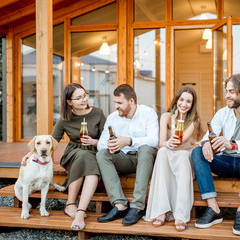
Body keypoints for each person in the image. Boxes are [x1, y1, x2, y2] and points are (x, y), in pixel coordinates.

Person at [191, 73, 240, 236]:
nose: (227, 95)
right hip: (225, 162)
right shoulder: (223, 113)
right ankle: (213, 209)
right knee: (197, 151)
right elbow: (207, 137)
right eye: (226, 91)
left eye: (231, 92)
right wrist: (206, 143)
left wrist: (233, 144)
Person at [22, 83, 106, 231]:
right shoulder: (64, 118)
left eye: (85, 95)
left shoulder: (98, 113)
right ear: (69, 102)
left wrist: (94, 142)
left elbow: (106, 140)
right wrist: (29, 154)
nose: (84, 99)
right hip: (73, 153)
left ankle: (76, 208)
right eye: (79, 98)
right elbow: (52, 141)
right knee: (83, 156)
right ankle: (71, 204)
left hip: (93, 150)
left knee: (88, 157)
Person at [96, 84, 159, 226]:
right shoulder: (112, 118)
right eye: (115, 103)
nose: (116, 106)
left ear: (131, 101)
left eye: (119, 103)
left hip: (146, 160)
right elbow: (101, 144)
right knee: (102, 154)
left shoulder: (148, 113)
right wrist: (111, 145)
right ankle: (120, 205)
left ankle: (137, 207)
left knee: (145, 148)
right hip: (124, 159)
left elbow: (154, 140)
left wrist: (129, 141)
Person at [144, 87, 202, 231]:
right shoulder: (166, 117)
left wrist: (178, 123)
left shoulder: (194, 121)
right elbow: (162, 142)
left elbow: (180, 141)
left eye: (188, 101)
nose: (184, 104)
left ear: (192, 105)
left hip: (184, 153)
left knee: (181, 155)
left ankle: (181, 214)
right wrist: (167, 143)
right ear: (176, 100)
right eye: (181, 99)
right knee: (162, 152)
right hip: (168, 151)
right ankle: (161, 210)